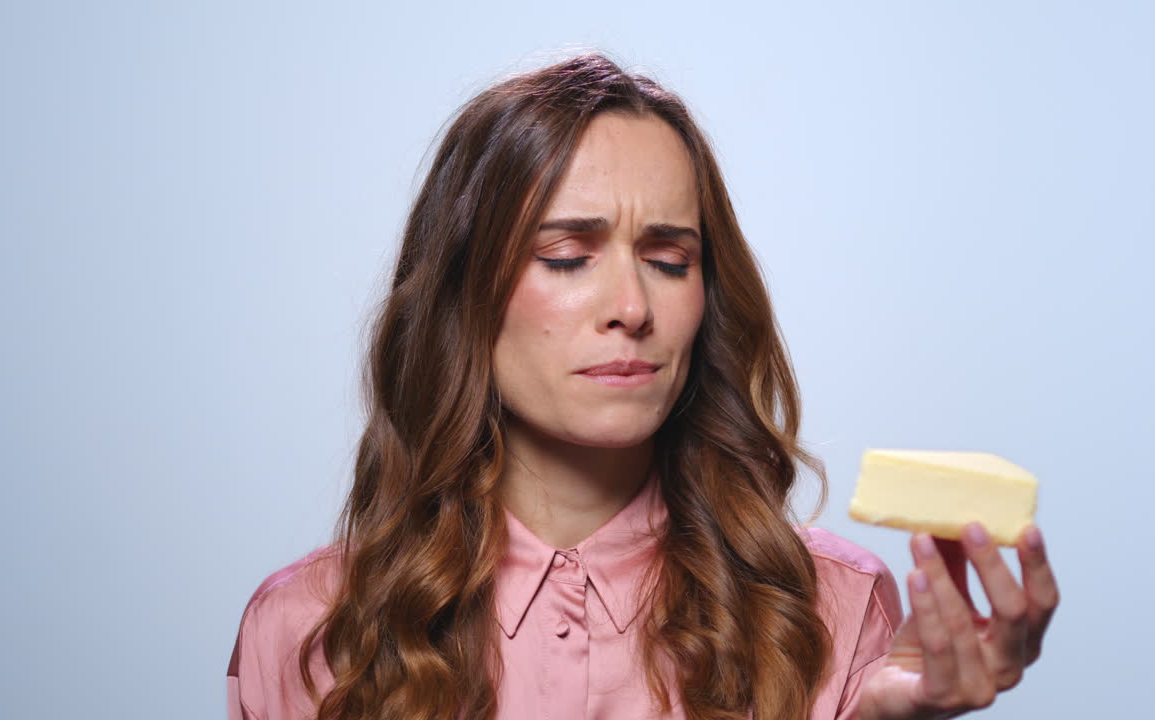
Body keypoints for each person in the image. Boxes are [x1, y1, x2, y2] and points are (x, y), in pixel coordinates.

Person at [226, 52, 1059, 720]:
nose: (632, 307)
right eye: (566, 257)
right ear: (463, 293)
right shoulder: (306, 631)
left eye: (668, 260)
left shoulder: (834, 609)